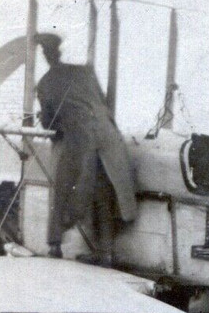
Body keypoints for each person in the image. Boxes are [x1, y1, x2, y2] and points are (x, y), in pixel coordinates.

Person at [34, 33, 137, 263]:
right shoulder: (85, 73)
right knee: (103, 191)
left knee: (63, 188)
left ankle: (55, 246)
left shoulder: (45, 83)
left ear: (46, 55)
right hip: (109, 137)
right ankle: (105, 253)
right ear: (59, 52)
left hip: (80, 137)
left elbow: (49, 123)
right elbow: (103, 103)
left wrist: (57, 121)